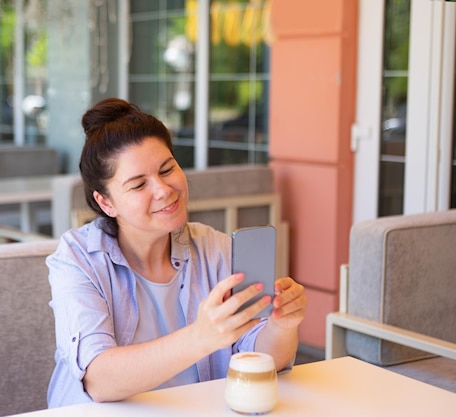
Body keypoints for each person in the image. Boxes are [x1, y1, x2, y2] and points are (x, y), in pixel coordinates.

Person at [46, 98, 307, 408]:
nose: (163, 190)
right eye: (138, 185)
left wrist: (282, 325)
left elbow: (263, 358)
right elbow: (99, 380)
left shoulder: (215, 248)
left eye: (167, 169)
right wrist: (201, 336)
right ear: (106, 203)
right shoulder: (78, 259)